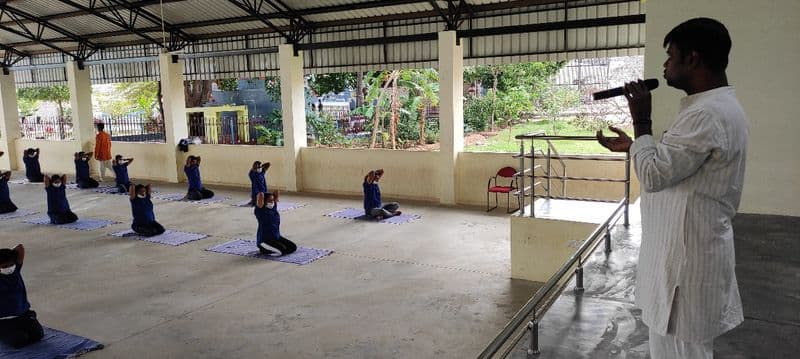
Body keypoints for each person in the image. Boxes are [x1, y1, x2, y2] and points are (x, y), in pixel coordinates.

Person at [596, 18, 748, 359]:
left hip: (685, 266)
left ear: (692, 59)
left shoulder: (706, 115)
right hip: (682, 255)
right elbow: (673, 161)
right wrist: (637, 145)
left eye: (670, 56)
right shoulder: (712, 109)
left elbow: (654, 175)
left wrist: (642, 122)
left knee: (683, 352)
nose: (664, 65)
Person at [0, 244, 44, 348]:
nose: (9, 268)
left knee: (37, 335)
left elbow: (20, 248)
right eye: (4, 266)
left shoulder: (16, 271)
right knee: (19, 340)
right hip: (3, 320)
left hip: (23, 314)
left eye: (11, 265)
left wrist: (9, 254)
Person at [254, 191, 297, 256]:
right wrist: (262, 193)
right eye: (269, 201)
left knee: (293, 247)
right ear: (264, 201)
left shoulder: (273, 208)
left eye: (273, 200)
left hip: (276, 237)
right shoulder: (260, 211)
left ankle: (270, 248)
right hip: (264, 240)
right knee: (282, 251)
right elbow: (260, 195)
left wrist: (273, 196)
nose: (272, 202)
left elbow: (276, 193)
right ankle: (263, 249)